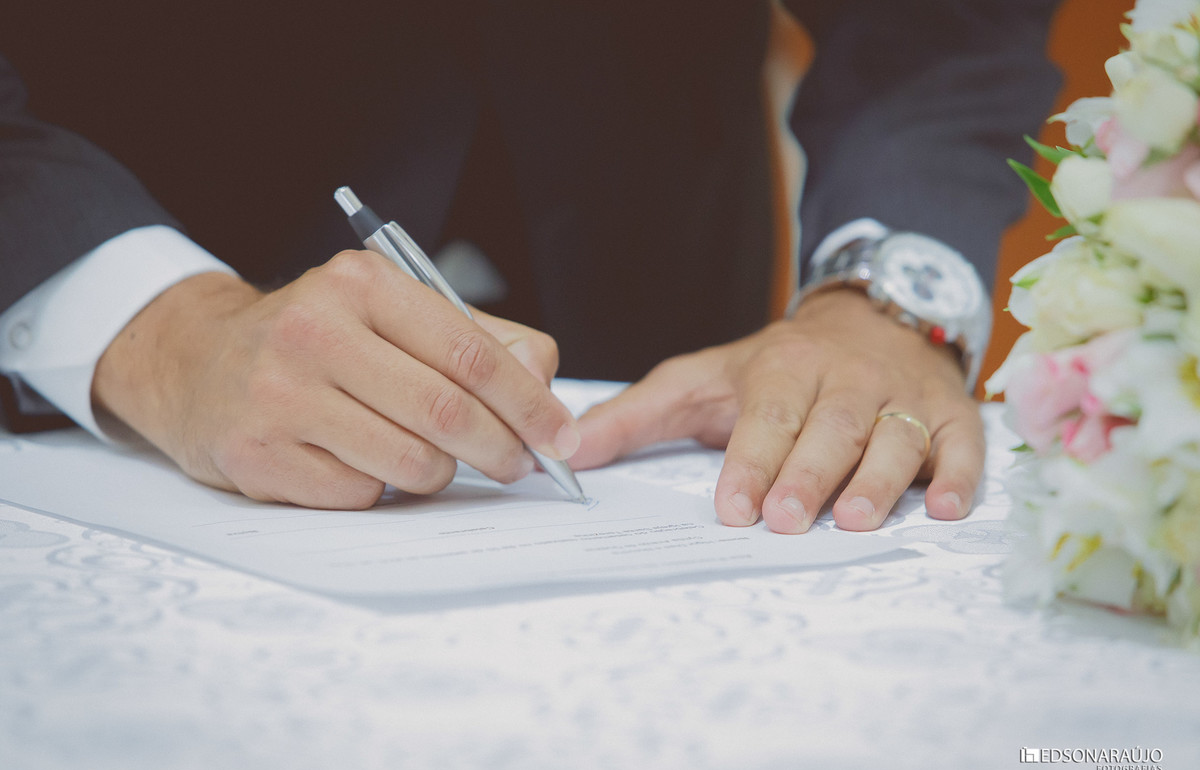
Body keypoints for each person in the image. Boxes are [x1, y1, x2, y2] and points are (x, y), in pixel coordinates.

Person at [0, 1, 1061, 533]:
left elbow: (939, 28)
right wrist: (158, 329)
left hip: (659, 283)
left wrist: (883, 299)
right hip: (124, 322)